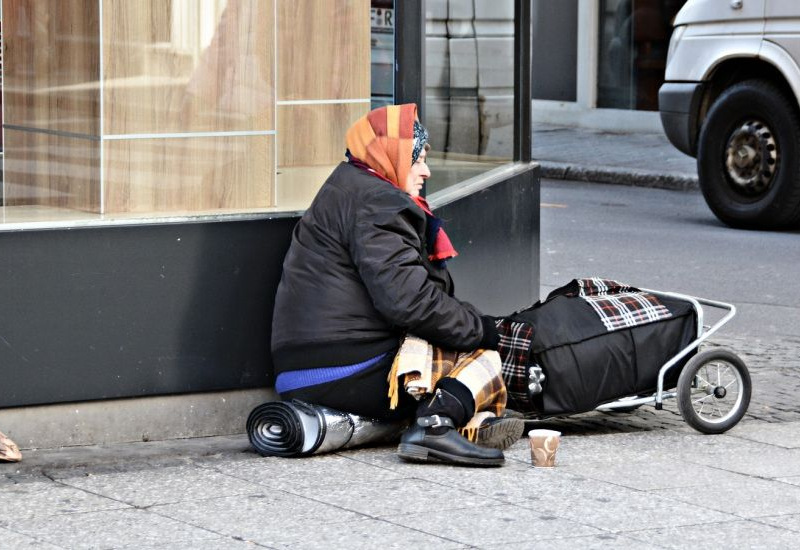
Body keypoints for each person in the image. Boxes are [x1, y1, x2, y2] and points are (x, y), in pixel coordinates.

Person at [270, 104, 523, 466]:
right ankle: (435, 427)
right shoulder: (378, 201)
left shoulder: (351, 186)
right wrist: (482, 329)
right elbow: (409, 302)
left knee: (451, 348)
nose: (426, 170)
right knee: (483, 357)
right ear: (391, 155)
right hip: (341, 369)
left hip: (311, 365)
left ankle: (469, 423)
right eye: (417, 159)